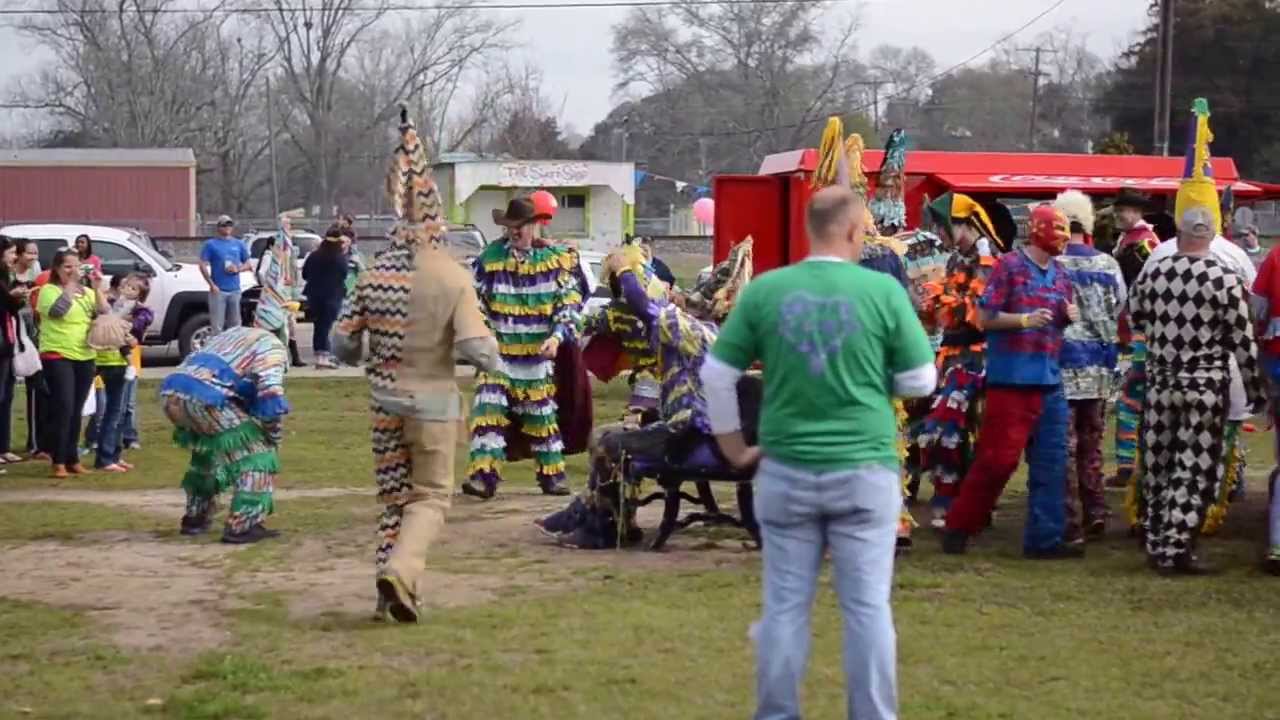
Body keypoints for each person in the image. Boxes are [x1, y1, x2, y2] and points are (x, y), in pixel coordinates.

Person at [701, 186, 934, 720]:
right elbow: (921, 378)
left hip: (784, 470)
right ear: (855, 231)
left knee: (784, 608)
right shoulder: (882, 291)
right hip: (865, 468)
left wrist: (734, 447)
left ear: (811, 227)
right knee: (867, 609)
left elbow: (717, 375)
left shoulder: (766, 291)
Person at [334, 109, 498, 623]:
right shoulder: (453, 276)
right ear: (439, 219)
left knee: (393, 499)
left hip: (384, 403)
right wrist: (501, 360)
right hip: (431, 404)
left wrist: (373, 348)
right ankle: (402, 572)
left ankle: (392, 590)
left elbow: (341, 344)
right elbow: (476, 349)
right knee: (429, 497)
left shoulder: (374, 273)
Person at [538, 243, 715, 548]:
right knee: (612, 437)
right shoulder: (690, 323)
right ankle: (597, 517)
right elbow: (601, 318)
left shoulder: (676, 322)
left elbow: (640, 304)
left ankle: (603, 529)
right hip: (693, 426)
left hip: (689, 431)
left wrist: (623, 267)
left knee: (610, 444)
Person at [942, 205, 1082, 558]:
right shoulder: (1010, 266)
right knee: (998, 460)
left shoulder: (1062, 275)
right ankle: (960, 525)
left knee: (1053, 462)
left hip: (1050, 379)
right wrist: (1023, 321)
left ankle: (1045, 540)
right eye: (1061, 232)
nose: (1066, 240)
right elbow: (985, 317)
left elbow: (1056, 320)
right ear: (1041, 232)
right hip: (1012, 379)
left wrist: (1067, 317)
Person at [463, 197, 583, 499]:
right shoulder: (489, 260)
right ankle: (483, 476)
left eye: (520, 226)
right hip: (498, 357)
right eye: (510, 227)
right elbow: (473, 304)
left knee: (541, 418)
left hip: (536, 359)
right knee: (487, 413)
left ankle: (552, 476)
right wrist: (484, 335)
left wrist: (556, 338)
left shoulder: (556, 261)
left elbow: (568, 307)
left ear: (534, 226)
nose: (514, 232)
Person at [910, 192, 1003, 528]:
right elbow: (948, 312)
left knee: (954, 426)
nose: (939, 233)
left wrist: (942, 299)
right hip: (951, 356)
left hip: (976, 357)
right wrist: (931, 305)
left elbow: (980, 312)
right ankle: (953, 501)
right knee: (946, 429)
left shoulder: (986, 257)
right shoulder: (954, 258)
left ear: (962, 224)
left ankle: (966, 504)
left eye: (944, 225)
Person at [160, 326, 290, 543]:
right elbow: (270, 393)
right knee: (257, 457)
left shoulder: (234, 333)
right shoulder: (273, 347)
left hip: (172, 392)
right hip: (208, 398)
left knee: (207, 455)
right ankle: (243, 525)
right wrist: (273, 435)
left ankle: (195, 517)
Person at [1053, 190, 1125, 542]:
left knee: (1063, 445)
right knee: (1092, 444)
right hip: (1099, 367)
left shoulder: (1053, 265)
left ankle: (1067, 517)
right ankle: (1095, 508)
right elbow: (1121, 307)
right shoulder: (1108, 264)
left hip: (1063, 367)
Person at [36, 249, 110, 478]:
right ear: (57, 268)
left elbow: (104, 312)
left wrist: (97, 288)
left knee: (76, 410)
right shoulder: (48, 291)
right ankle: (57, 460)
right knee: (64, 407)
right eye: (67, 266)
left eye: (76, 266)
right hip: (58, 354)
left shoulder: (86, 292)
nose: (72, 271)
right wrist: (70, 287)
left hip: (85, 355)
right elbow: (57, 312)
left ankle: (72, 458)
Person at [1108, 189, 1162, 489]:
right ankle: (1129, 463)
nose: (1119, 215)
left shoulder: (1145, 243)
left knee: (1131, 399)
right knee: (1131, 399)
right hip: (1132, 329)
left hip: (1143, 332)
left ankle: (1129, 464)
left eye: (1124, 210)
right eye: (1118, 210)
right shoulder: (1129, 240)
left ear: (1138, 213)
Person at [11, 238, 47, 458]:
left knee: (37, 387)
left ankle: (36, 442)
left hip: (32, 334)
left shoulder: (37, 277)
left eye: (36, 253)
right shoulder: (9, 278)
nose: (33, 257)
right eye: (29, 253)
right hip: (14, 334)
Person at [302, 228, 349, 369]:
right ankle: (323, 356)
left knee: (319, 325)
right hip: (332, 295)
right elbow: (344, 275)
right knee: (325, 325)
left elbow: (305, 274)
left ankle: (320, 353)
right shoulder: (339, 258)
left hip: (314, 295)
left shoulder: (314, 256)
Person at [254, 216, 301, 350]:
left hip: (282, 296)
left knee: (287, 323)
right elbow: (262, 273)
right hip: (271, 298)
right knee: (271, 324)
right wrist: (268, 287)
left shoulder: (283, 259)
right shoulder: (269, 256)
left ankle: (286, 353)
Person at [0, 238, 27, 469]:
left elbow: (11, 309)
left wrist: (18, 298)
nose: (14, 257)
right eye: (10, 253)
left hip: (8, 343)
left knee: (7, 397)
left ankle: (4, 447)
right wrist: (12, 296)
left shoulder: (7, 278)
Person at [199, 216, 251, 335]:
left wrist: (238, 269)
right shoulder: (211, 244)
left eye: (229, 225)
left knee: (235, 326)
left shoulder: (239, 244)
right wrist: (211, 284)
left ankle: (233, 351)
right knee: (217, 326)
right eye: (224, 225)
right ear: (218, 227)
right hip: (218, 290)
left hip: (235, 290)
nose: (227, 227)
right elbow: (202, 264)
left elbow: (248, 264)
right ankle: (217, 350)